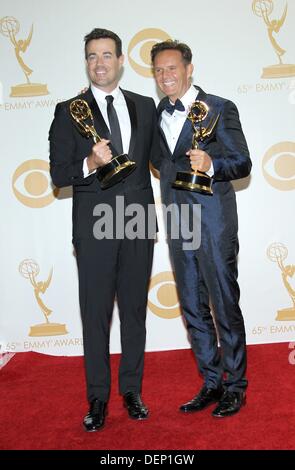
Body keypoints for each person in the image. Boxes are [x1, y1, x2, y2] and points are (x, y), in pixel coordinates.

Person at [49, 28, 161, 431]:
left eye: (107, 55)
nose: (100, 63)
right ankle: (97, 399)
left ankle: (132, 391)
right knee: (95, 315)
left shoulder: (146, 106)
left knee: (134, 312)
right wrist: (89, 164)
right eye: (92, 56)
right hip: (94, 227)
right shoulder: (69, 110)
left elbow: (163, 160)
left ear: (120, 61)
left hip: (138, 222)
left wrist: (205, 166)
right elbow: (58, 174)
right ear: (86, 61)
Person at [151, 40, 252, 418]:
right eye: (159, 70)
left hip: (213, 221)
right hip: (178, 221)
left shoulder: (221, 108)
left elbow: (242, 162)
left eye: (172, 68)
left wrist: (211, 163)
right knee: (192, 306)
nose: (166, 76)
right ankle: (211, 382)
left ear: (189, 68)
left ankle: (235, 386)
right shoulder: (155, 114)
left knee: (224, 303)